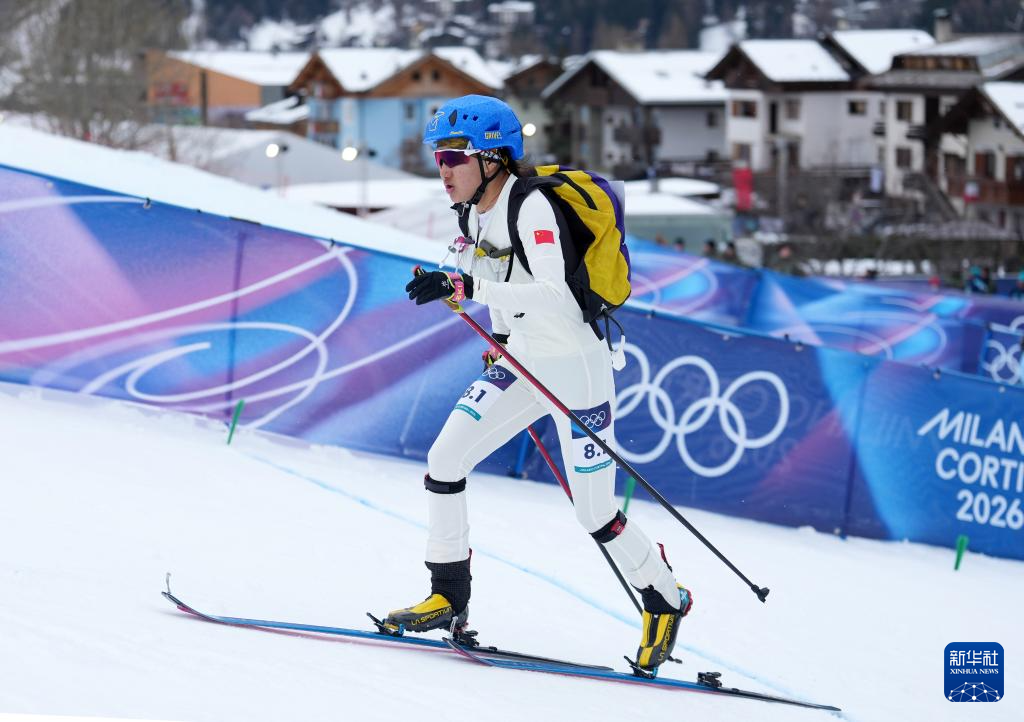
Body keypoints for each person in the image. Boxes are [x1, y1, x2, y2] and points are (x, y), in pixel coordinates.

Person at [389, 94, 692, 673]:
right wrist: (489, 322)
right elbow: (493, 279)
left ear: (492, 158)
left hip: (575, 368)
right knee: (444, 460)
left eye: (454, 156)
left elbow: (556, 296)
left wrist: (466, 288)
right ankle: (448, 597)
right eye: (438, 157)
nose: (442, 169)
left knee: (594, 512)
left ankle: (664, 597)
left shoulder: (531, 208)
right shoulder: (472, 213)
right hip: (521, 362)